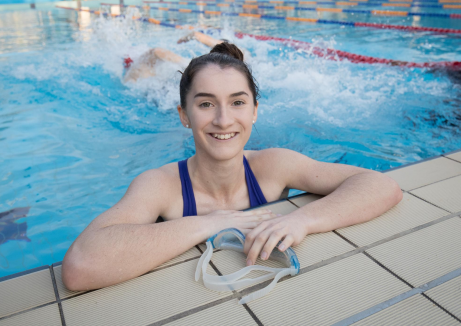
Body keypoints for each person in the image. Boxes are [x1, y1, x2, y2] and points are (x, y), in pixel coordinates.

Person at [61, 42, 403, 291]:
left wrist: (302, 220)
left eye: (237, 102)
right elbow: (80, 265)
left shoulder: (273, 165)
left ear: (254, 111)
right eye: (206, 104)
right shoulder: (161, 185)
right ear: (184, 115)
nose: (224, 120)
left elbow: (380, 185)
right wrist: (209, 223)